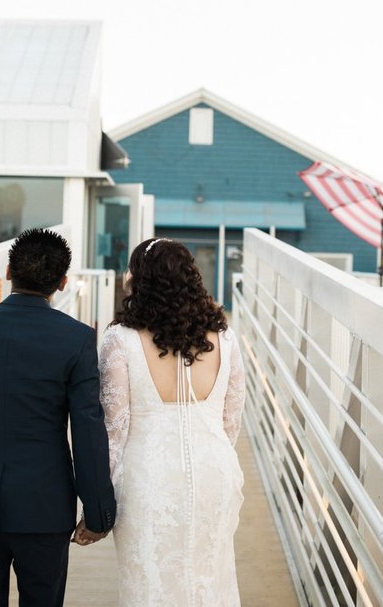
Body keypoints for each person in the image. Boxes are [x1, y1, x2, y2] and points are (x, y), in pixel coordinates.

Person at [0, 228, 115, 607]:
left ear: (7, 272)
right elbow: (87, 429)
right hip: (44, 508)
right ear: (63, 283)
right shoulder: (77, 338)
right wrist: (98, 511)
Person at [79, 237, 246, 605]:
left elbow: (114, 429)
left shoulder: (119, 340)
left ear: (139, 280)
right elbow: (231, 420)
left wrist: (96, 502)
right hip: (213, 472)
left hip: (146, 478)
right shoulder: (225, 338)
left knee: (148, 585)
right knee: (210, 581)